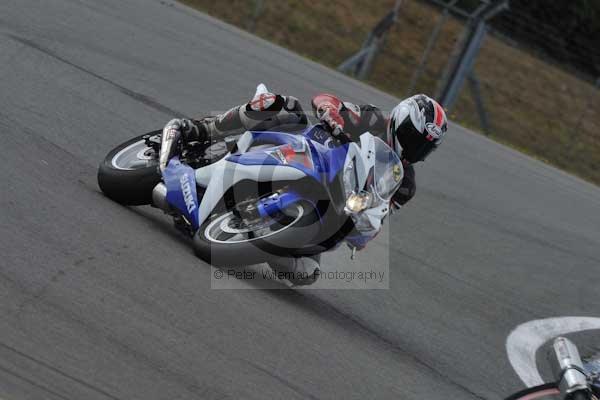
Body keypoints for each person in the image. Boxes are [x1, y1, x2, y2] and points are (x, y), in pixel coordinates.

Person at [162, 88, 447, 284]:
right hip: (306, 149)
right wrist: (334, 117)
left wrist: (364, 229)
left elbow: (379, 212)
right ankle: (203, 130)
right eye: (414, 136)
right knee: (281, 104)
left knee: (306, 273)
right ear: (401, 120)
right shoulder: (374, 119)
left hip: (331, 202)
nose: (415, 148)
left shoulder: (404, 184)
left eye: (425, 146)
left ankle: (250, 230)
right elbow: (326, 100)